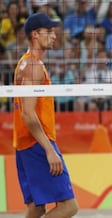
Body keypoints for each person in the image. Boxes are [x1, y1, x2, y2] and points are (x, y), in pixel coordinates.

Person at [13, 13, 78, 217]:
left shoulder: (25, 63)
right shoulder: (33, 67)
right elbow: (28, 114)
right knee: (69, 207)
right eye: (49, 32)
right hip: (37, 144)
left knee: (36, 207)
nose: (54, 36)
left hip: (24, 144)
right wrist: (50, 150)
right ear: (35, 34)